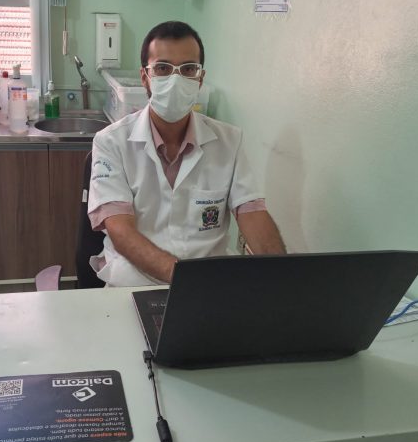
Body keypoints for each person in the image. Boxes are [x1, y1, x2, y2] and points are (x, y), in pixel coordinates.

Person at [88, 21, 285, 287]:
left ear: (200, 78)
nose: (176, 79)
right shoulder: (111, 141)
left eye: (188, 69)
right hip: (135, 282)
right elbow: (120, 230)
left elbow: (252, 214)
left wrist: (283, 279)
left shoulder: (229, 141)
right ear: (145, 77)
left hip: (208, 284)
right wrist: (187, 279)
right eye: (163, 68)